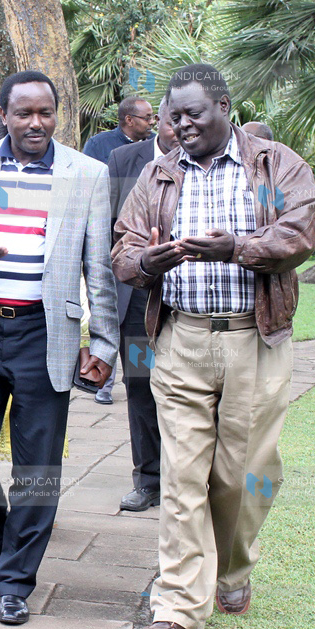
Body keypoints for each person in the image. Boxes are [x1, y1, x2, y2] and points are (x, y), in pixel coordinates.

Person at [112, 64, 315, 629]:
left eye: (192, 114)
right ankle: (178, 604)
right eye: (172, 117)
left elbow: (299, 233)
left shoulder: (272, 167)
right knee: (182, 476)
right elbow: (124, 249)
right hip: (180, 340)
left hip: (255, 338)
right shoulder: (158, 177)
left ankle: (232, 569)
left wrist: (238, 248)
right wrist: (147, 263)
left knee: (243, 474)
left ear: (224, 106)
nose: (181, 126)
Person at [0, 70, 119, 626]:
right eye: (24, 113)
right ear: (5, 114)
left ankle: (15, 580)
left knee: (37, 467)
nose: (36, 123)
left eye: (46, 113)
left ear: (57, 115)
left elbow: (100, 269)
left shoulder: (87, 174)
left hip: (47, 332)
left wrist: (104, 342)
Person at [107, 98, 176, 511]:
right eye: (170, 121)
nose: (177, 129)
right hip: (135, 299)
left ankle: (196, 478)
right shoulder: (123, 159)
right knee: (139, 385)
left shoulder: (209, 161)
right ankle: (148, 478)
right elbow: (106, 229)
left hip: (190, 298)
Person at [83, 95, 155, 403]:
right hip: (120, 262)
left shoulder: (157, 151)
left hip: (156, 273)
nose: (152, 124)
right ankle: (105, 384)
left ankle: (139, 387)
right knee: (113, 321)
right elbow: (100, 206)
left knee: (143, 371)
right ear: (128, 119)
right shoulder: (104, 147)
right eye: (148, 118)